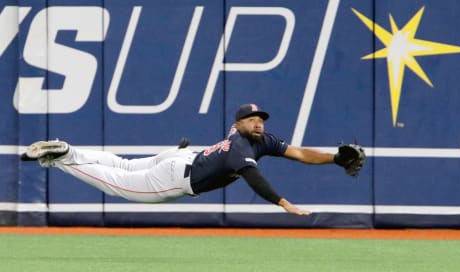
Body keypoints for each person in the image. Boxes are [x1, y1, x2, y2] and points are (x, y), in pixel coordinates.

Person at [21, 104, 364, 216]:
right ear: (238, 124)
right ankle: (64, 157)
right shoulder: (240, 148)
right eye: (252, 119)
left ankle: (69, 151)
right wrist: (285, 204)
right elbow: (254, 180)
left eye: (262, 118)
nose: (259, 122)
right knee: (120, 185)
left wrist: (334, 158)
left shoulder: (262, 140)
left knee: (124, 165)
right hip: (176, 177)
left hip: (184, 157)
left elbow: (300, 153)